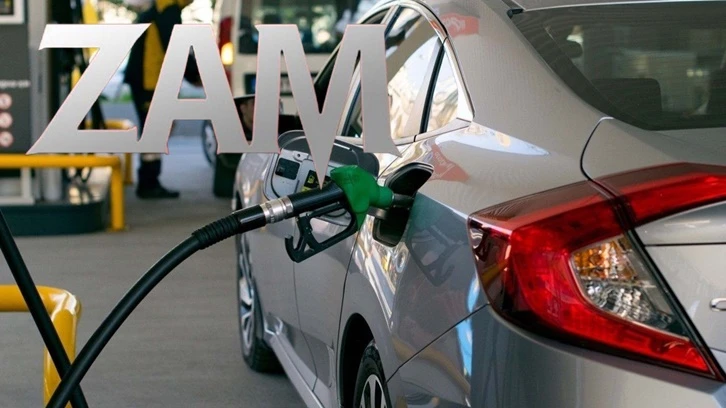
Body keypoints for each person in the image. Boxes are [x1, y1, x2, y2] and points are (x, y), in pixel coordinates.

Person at [124, 0, 198, 199]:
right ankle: (148, 183)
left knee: (156, 129)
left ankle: (149, 180)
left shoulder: (159, 7)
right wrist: (195, 74)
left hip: (146, 79)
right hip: (149, 81)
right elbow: (176, 47)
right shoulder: (168, 10)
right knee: (155, 130)